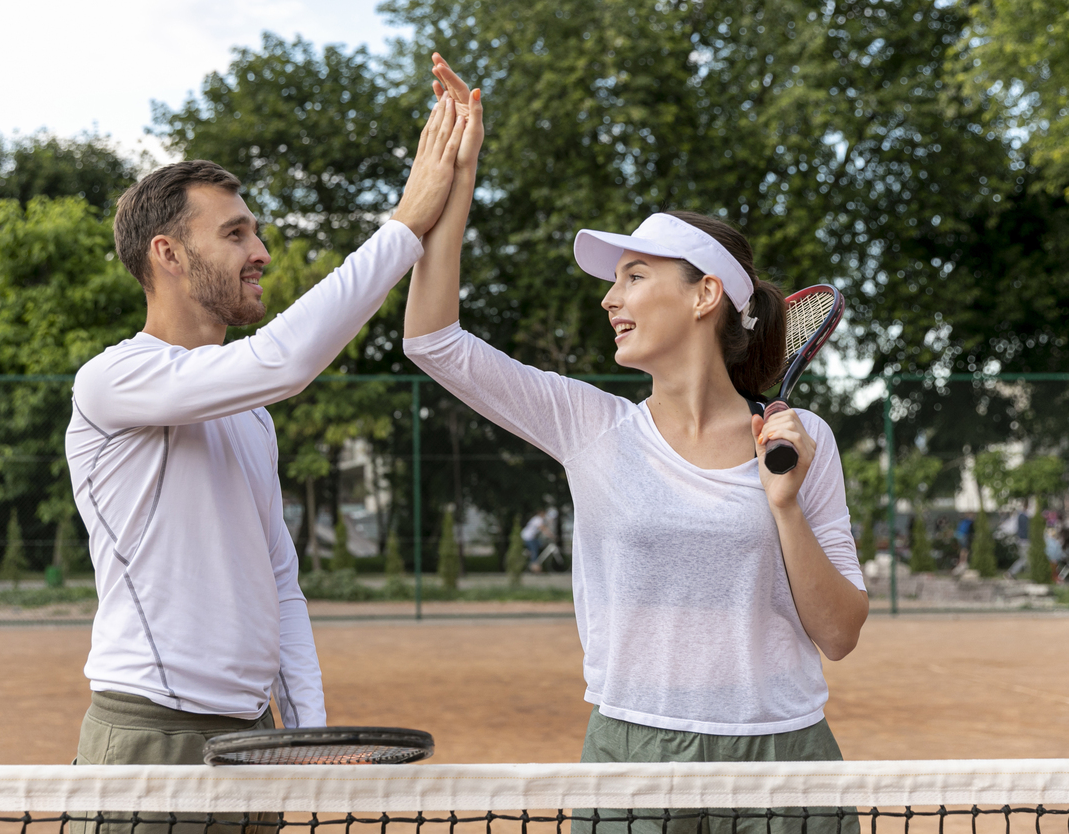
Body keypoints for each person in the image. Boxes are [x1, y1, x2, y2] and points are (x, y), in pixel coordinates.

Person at [404, 55, 867, 834]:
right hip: (632, 755)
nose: (610, 298)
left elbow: (840, 633)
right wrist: (454, 185)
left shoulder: (803, 440)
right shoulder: (591, 425)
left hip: (784, 763)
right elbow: (434, 343)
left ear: (705, 294)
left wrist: (783, 506)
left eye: (634, 276)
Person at [63, 91, 468, 806]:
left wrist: (308, 733)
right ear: (168, 254)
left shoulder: (250, 416)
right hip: (153, 735)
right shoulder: (111, 380)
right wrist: (406, 224)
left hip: (257, 738)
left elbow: (281, 583)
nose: (261, 253)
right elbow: (284, 360)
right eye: (236, 234)